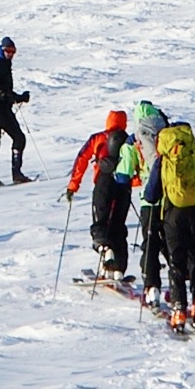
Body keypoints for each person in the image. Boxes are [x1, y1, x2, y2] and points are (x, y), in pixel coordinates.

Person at [142, 121, 195, 331]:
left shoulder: (163, 161)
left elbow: (150, 195)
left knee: (176, 263)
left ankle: (178, 310)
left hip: (173, 217)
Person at [66, 110, 132, 279]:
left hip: (103, 183)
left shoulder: (98, 138)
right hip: (124, 186)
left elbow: (82, 158)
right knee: (118, 224)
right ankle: (118, 269)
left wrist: (73, 186)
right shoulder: (129, 141)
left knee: (101, 220)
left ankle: (105, 250)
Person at [117, 101, 169, 307]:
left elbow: (122, 176)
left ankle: (151, 288)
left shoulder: (135, 140)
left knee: (151, 241)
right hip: (173, 198)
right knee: (171, 241)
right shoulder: (168, 133)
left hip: (149, 198)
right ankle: (179, 289)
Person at [0, 36, 33, 186]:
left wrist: (18, 97)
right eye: (8, 51)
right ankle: (17, 174)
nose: (10, 54)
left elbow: (2, 89)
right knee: (19, 137)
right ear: (2, 50)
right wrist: (3, 94)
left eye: (13, 51)